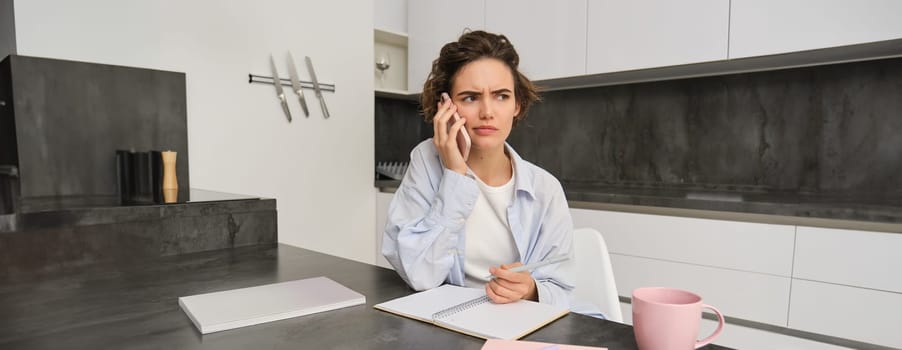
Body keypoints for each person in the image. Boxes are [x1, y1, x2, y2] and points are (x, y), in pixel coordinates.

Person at [381, 30, 574, 309]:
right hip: (449, 322)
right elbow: (419, 275)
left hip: (517, 324)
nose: (487, 112)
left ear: (517, 105)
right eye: (470, 97)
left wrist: (531, 290)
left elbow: (563, 290)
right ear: (446, 107)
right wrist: (455, 176)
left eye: (501, 96)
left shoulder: (546, 188)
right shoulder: (426, 162)